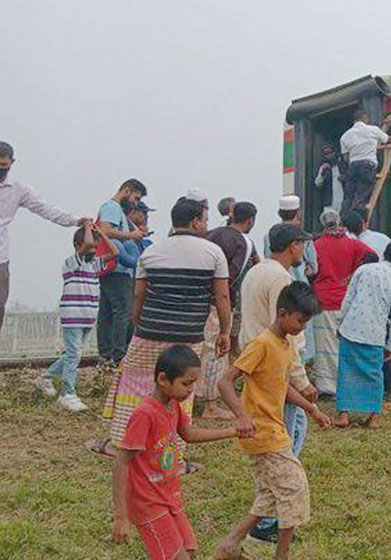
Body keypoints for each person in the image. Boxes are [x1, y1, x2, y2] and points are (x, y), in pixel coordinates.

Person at [94, 198, 231, 467]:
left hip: (149, 332)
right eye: (204, 219)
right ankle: (172, 454)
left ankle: (121, 442)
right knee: (182, 391)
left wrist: (139, 327)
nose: (206, 224)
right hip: (188, 336)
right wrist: (224, 331)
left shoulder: (151, 252)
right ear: (195, 222)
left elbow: (138, 296)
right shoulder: (213, 253)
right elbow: (222, 296)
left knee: (135, 384)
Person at [216, 282, 331, 560]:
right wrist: (242, 415)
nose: (303, 327)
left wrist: (311, 409)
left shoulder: (285, 343)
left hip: (274, 428)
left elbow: (283, 384)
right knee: (293, 488)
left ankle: (230, 543)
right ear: (282, 313)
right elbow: (225, 381)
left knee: (271, 492)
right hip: (260, 431)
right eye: (300, 320)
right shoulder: (262, 344)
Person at [110, 345, 238, 560]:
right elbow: (121, 462)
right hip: (148, 503)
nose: (190, 390)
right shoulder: (145, 414)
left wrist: (232, 432)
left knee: (189, 551)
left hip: (169, 495)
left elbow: (188, 434)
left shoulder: (173, 406)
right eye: (186, 384)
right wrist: (121, 515)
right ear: (162, 379)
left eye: (193, 384)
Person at [240, 223, 320, 544]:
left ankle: (269, 512)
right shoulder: (282, 279)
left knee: (286, 437)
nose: (304, 250)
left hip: (257, 362)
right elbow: (286, 334)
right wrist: (302, 381)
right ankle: (269, 519)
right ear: (293, 246)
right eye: (303, 244)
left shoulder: (256, 272)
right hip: (275, 368)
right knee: (284, 445)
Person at [0, 142, 89, 329]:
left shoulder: (18, 189)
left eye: (3, 167)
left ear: (12, 163)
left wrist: (75, 220)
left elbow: (44, 208)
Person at [34, 223, 117, 412]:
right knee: (74, 355)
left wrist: (101, 233)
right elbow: (87, 245)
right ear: (77, 245)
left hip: (87, 317)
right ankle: (67, 393)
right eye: (89, 246)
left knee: (73, 355)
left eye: (96, 248)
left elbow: (114, 252)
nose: (93, 250)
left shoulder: (94, 264)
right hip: (73, 316)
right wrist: (88, 227)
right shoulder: (73, 262)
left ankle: (45, 378)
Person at [334, 241, 391, 429]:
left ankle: (343, 414)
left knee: (346, 371)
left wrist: (340, 322)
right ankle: (373, 416)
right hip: (376, 333)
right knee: (375, 374)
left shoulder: (364, 270)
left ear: (384, 253)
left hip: (352, 327)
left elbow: (349, 298)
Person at [200, 202, 260, 420]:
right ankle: (211, 405)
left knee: (199, 347)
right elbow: (231, 276)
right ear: (250, 220)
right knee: (217, 349)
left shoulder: (210, 234)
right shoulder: (244, 242)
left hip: (196, 299)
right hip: (219, 301)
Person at [311, 208, 373, 398]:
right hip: (346, 300)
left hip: (323, 300)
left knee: (325, 347)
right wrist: (354, 275)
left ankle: (327, 386)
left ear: (323, 224)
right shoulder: (353, 244)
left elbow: (311, 269)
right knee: (345, 344)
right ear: (339, 223)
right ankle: (346, 384)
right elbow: (372, 256)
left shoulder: (316, 245)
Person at [96, 178, 149, 369]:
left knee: (108, 312)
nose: (135, 203)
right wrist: (132, 236)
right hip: (117, 269)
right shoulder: (111, 208)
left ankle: (106, 354)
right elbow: (105, 230)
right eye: (135, 198)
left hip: (115, 269)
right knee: (122, 311)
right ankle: (119, 355)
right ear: (127, 191)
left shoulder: (118, 211)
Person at [264, 195, 318, 364]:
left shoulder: (269, 235)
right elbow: (314, 267)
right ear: (298, 214)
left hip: (275, 288)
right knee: (299, 335)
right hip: (299, 290)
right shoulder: (305, 238)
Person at [339, 110, 388, 215]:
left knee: (348, 196)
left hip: (352, 166)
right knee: (361, 195)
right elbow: (386, 139)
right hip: (367, 165)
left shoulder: (345, 136)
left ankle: (343, 219)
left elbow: (345, 157)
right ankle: (357, 221)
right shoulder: (372, 130)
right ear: (365, 119)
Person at [314, 144, 344, 216]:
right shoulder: (324, 167)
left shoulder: (343, 165)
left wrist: (344, 178)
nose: (329, 156)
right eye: (326, 154)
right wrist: (322, 173)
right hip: (329, 202)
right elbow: (318, 183)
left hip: (343, 201)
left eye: (330, 153)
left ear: (335, 152)